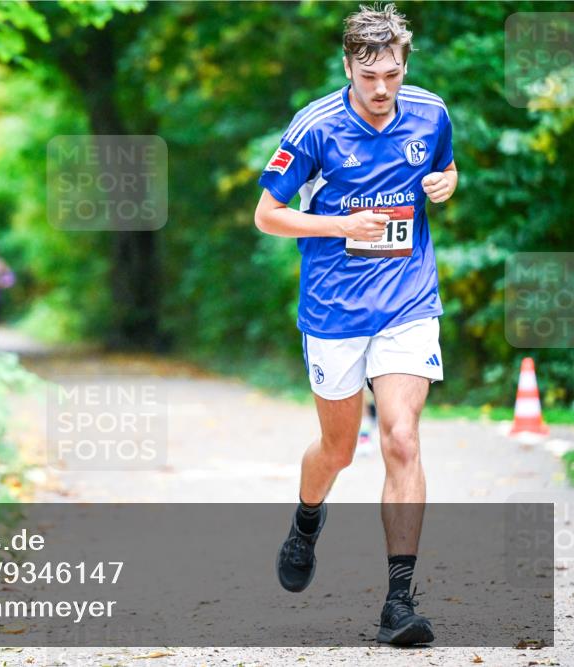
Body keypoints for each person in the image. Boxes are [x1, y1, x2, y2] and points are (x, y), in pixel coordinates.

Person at [253, 3, 457, 646]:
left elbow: (444, 169)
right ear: (347, 65)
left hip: (406, 301)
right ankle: (307, 520)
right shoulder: (316, 127)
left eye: (391, 74)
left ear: (404, 67)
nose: (380, 89)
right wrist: (340, 224)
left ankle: (399, 600)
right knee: (338, 449)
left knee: (401, 438)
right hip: (335, 309)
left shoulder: (432, 113)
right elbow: (267, 215)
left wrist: (447, 183)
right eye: (368, 75)